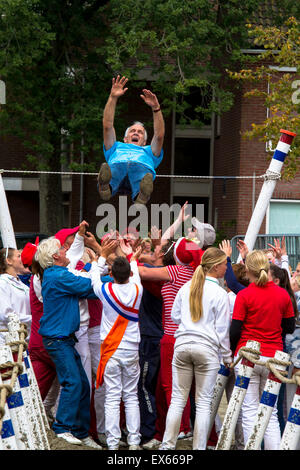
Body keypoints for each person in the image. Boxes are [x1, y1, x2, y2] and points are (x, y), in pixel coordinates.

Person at [159, 247, 232, 450]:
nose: (226, 268)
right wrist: (227, 356)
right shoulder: (220, 292)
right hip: (206, 349)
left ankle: (167, 445)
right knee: (203, 402)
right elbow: (222, 330)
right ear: (216, 266)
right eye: (225, 264)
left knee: (177, 400)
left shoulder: (186, 287)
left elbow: (174, 316)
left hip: (182, 345)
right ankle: (198, 448)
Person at [35, 237, 102, 449]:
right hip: (58, 340)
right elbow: (88, 287)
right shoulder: (58, 276)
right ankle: (63, 428)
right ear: (55, 256)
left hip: (62, 339)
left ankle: (80, 432)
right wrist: (113, 279)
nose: (65, 251)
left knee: (81, 383)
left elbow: (88, 286)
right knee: (73, 382)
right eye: (62, 249)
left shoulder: (55, 275)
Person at [230, 250, 295, 450]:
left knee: (249, 411)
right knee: (270, 412)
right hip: (274, 359)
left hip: (248, 357)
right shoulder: (283, 294)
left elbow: (235, 329)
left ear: (248, 270)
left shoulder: (244, 294)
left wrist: (234, 352)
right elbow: (290, 327)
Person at [89, 241, 144, 450]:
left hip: (110, 350)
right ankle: (134, 442)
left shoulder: (104, 290)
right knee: (131, 396)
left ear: (111, 274)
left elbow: (93, 276)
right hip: (131, 349)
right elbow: (136, 274)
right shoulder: (138, 290)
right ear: (130, 274)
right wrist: (134, 259)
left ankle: (112, 444)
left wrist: (102, 256)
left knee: (112, 396)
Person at [98, 75, 165, 205]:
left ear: (145, 142)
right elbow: (107, 126)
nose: (136, 133)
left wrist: (156, 108)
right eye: (132, 131)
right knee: (112, 171)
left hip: (140, 168)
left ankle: (141, 195)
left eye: (140, 132)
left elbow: (159, 135)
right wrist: (112, 97)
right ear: (125, 138)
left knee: (142, 176)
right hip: (117, 165)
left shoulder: (149, 152)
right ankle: (105, 187)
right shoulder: (115, 147)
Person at [0, 247, 32, 344]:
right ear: (8, 261)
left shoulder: (21, 283)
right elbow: (6, 314)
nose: (22, 258)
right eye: (18, 256)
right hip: (9, 342)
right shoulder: (2, 283)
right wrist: (34, 318)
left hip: (25, 338)